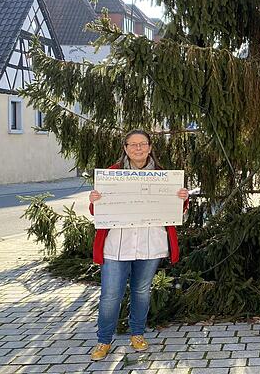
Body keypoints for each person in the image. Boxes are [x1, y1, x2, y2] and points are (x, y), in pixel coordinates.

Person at [89, 129, 189, 361]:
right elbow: (98, 212)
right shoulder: (111, 175)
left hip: (150, 244)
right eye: (132, 145)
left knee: (141, 291)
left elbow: (177, 211)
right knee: (111, 294)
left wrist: (182, 199)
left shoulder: (165, 176)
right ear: (125, 148)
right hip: (116, 246)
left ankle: (137, 334)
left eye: (142, 144)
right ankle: (103, 340)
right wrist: (94, 201)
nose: (137, 148)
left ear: (150, 147)